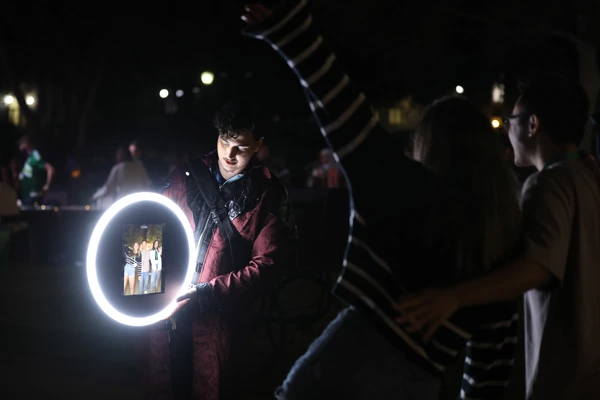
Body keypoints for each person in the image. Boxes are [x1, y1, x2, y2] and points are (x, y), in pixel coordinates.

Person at [241, 2, 520, 399]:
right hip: (421, 383)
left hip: (345, 363)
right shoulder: (503, 237)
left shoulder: (406, 189)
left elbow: (344, 112)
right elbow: (490, 366)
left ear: (428, 146)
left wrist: (290, 33)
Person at [395, 75, 600, 399]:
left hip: (564, 375)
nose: (506, 129)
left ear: (532, 125)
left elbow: (538, 267)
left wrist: (455, 297)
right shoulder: (586, 178)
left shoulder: (546, 183)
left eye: (512, 120)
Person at [143, 98, 297, 400]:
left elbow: (268, 265)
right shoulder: (185, 174)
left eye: (240, 145)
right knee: (163, 387)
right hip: (165, 319)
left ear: (258, 144)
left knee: (210, 388)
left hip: (217, 327)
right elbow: (150, 228)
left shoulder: (268, 193)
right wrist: (142, 287)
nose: (229, 152)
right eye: (224, 140)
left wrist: (207, 293)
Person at [17, 135, 55, 206]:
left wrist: (47, 186)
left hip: (33, 196)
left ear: (26, 144)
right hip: (26, 196)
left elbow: (50, 169)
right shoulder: (28, 157)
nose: (20, 147)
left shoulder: (35, 155)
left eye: (21, 144)